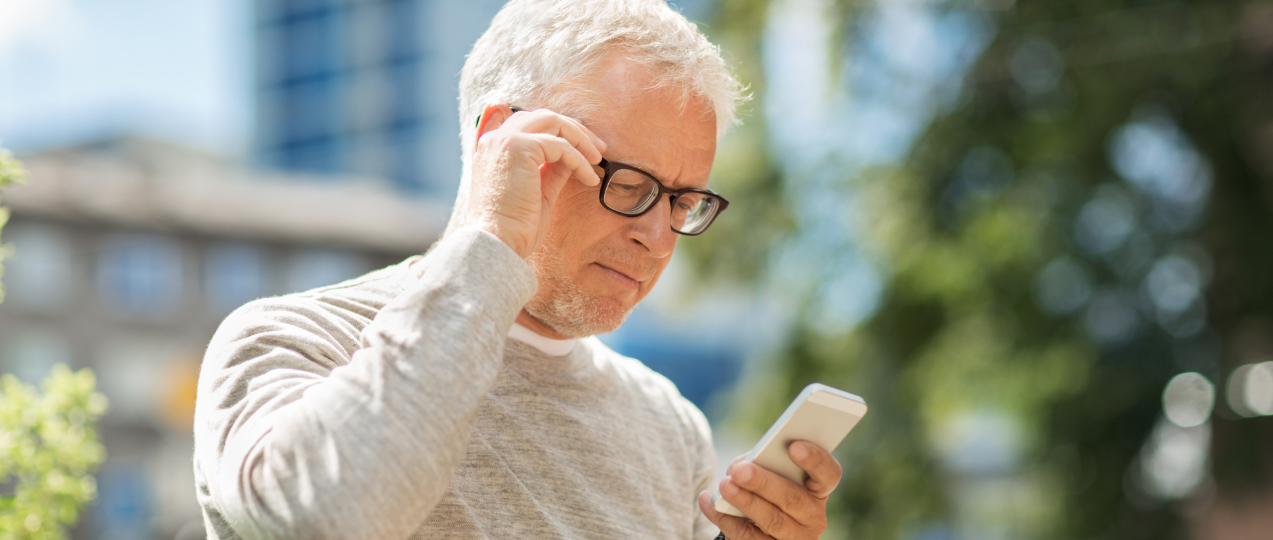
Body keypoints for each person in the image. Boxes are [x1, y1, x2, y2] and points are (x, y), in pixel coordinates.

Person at [192, 1, 842, 539]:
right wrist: (492, 234)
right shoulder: (291, 339)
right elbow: (326, 519)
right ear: (501, 140)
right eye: (628, 183)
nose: (654, 234)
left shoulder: (668, 424)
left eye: (681, 200)